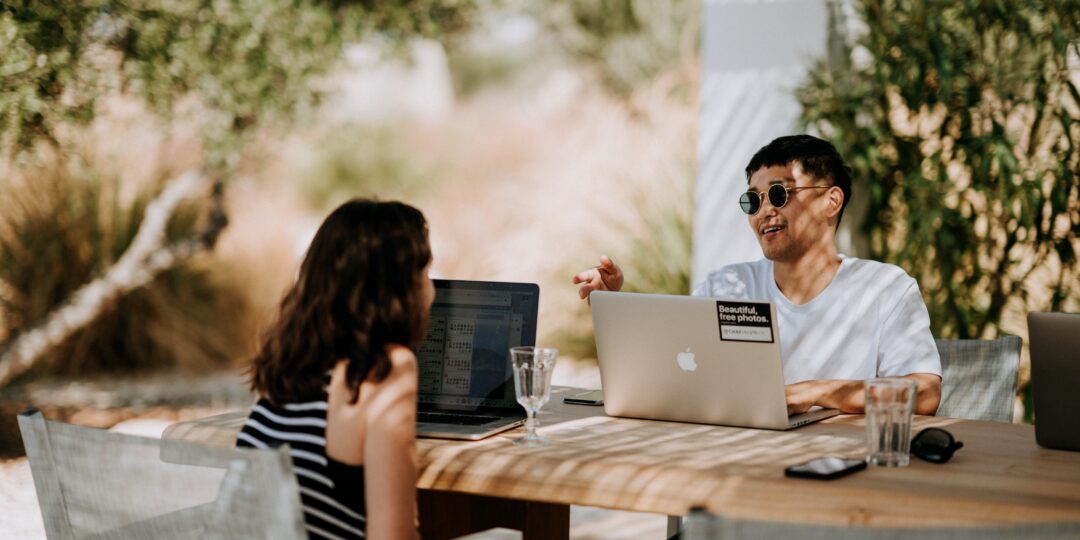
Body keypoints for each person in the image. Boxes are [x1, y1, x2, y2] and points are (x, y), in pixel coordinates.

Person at [574, 135, 941, 415]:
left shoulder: (886, 288)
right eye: (753, 200)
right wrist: (614, 305)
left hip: (839, 466)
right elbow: (669, 369)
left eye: (779, 194)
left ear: (831, 201)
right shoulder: (726, 285)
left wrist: (813, 393)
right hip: (737, 459)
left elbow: (924, 393)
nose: (764, 211)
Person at [238, 199, 433, 540]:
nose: (431, 288)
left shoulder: (287, 359)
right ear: (398, 288)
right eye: (425, 273)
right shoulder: (384, 369)